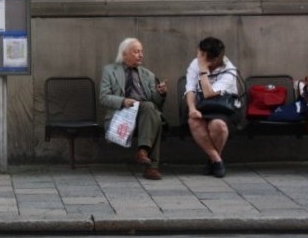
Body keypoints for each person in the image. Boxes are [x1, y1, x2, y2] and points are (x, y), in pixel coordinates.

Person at [100, 38, 168, 180]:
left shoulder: (147, 74)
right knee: (153, 116)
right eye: (136, 52)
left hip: (144, 113)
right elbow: (104, 97)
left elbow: (157, 102)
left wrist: (160, 93)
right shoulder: (110, 71)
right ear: (124, 54)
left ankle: (143, 152)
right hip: (122, 113)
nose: (141, 55)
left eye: (141, 52)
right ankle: (152, 166)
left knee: (151, 108)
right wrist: (123, 101)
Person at [184, 36, 238, 178]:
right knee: (194, 121)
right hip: (200, 106)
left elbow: (209, 93)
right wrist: (192, 109)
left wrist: (203, 71)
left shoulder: (229, 70)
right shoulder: (195, 63)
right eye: (199, 53)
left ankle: (212, 160)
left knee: (218, 126)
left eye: (202, 55)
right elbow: (190, 89)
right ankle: (217, 161)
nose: (198, 57)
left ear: (214, 60)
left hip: (222, 108)